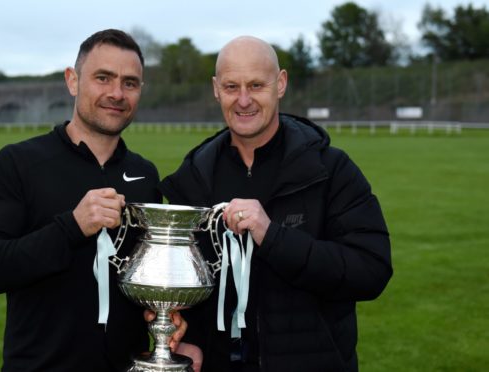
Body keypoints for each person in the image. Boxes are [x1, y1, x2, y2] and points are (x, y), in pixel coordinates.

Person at [159, 36, 393, 371]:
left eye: (256, 85)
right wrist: (191, 335)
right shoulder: (193, 177)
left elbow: (371, 270)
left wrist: (273, 237)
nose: (243, 100)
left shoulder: (330, 170)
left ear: (280, 84)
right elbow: (183, 279)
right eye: (231, 86)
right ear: (215, 88)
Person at [0, 29, 188, 371]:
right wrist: (71, 226)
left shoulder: (144, 174)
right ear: (73, 80)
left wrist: (160, 309)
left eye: (130, 83)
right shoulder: (18, 163)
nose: (117, 93)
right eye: (103, 78)